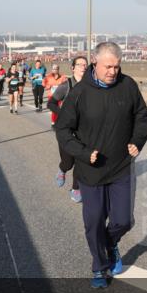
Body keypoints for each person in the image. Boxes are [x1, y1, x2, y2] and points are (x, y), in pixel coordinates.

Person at [55, 42, 147, 289]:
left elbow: (142, 116)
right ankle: (99, 266)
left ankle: (110, 244)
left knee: (123, 220)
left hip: (120, 166)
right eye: (108, 66)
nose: (112, 72)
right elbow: (63, 130)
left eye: (117, 67)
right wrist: (83, 153)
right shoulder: (79, 93)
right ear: (95, 63)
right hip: (91, 171)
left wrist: (137, 140)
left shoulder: (128, 85)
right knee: (94, 221)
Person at [47, 57, 84, 202]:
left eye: (85, 65)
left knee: (82, 162)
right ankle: (62, 170)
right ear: (73, 68)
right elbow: (51, 103)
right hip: (66, 130)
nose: (83, 67)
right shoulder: (66, 86)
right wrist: (63, 113)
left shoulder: (92, 86)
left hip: (83, 131)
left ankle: (76, 188)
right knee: (69, 162)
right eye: (80, 64)